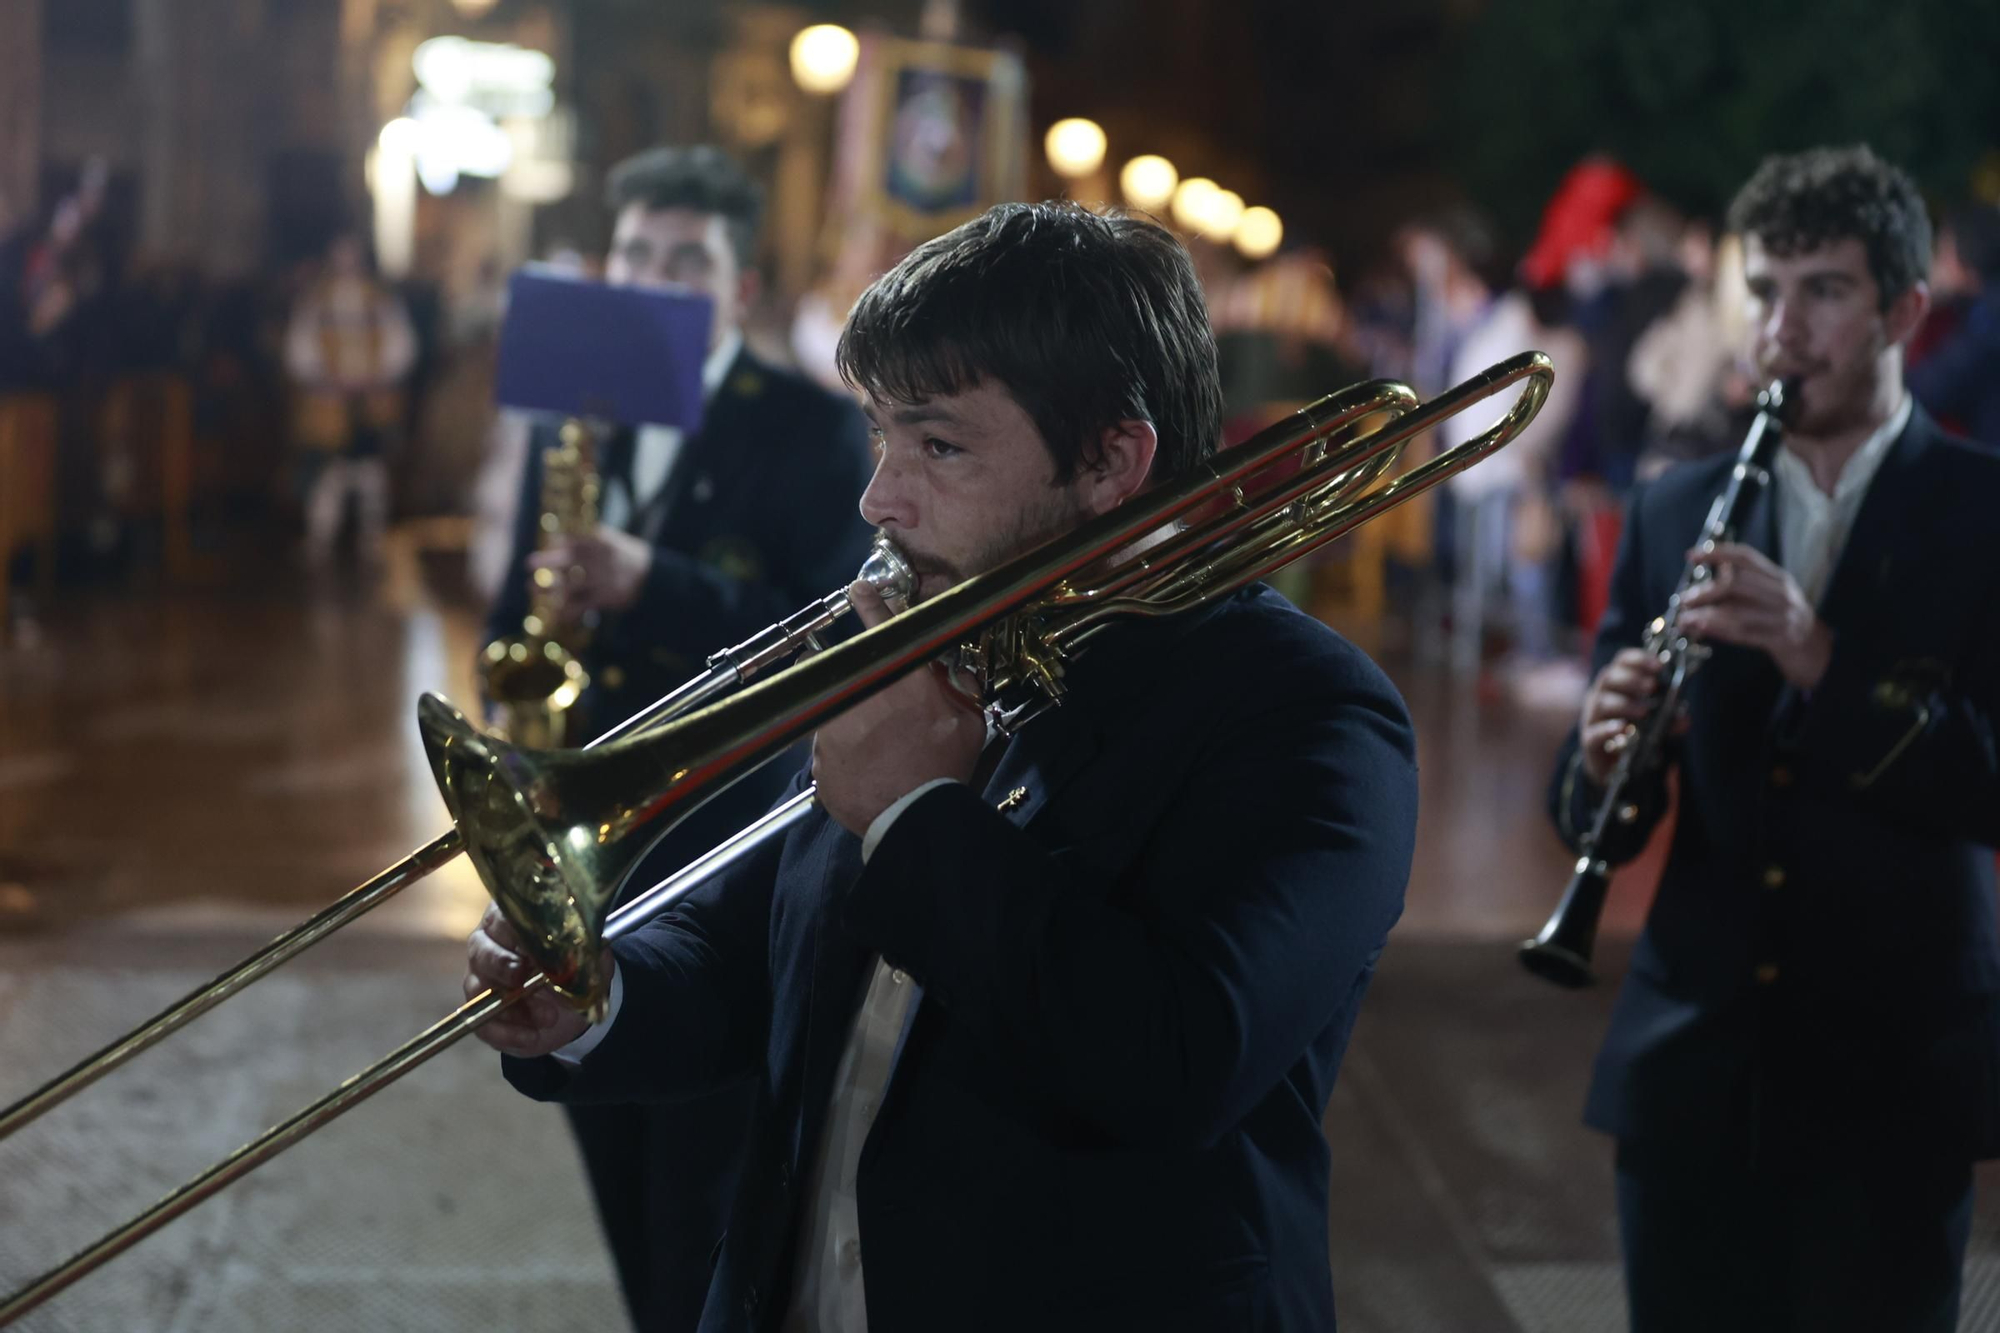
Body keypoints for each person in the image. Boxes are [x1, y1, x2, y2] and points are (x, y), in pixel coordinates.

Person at [465, 201, 1421, 1331]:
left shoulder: (1306, 712)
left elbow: (1175, 1059)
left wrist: (919, 814)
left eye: (939, 444)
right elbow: (736, 944)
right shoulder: (915, 625)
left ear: (1113, 458)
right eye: (879, 435)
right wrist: (590, 996)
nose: (878, 496)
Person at [1549, 145, 2000, 1332]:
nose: (1779, 329)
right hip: (1689, 1071)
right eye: (1762, 291)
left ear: (1904, 307)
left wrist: (1820, 660)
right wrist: (1602, 757)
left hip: (1893, 1075)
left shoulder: (1981, 513)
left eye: (1824, 292)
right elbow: (1599, 799)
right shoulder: (1668, 504)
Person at [481, 144, 877, 1333]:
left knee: (699, 1178)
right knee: (600, 1115)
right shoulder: (573, 414)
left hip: (725, 828)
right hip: (587, 843)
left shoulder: (810, 425)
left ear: (738, 287)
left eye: (684, 260)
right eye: (636, 255)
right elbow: (512, 613)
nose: (655, 279)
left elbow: (825, 621)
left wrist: (653, 581)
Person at [284, 231, 416, 565]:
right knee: (330, 472)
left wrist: (378, 377)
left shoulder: (379, 299)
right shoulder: (319, 300)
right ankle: (321, 537)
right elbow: (301, 346)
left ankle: (371, 537)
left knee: (370, 472)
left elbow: (400, 343)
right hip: (331, 400)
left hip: (369, 400)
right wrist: (325, 378)